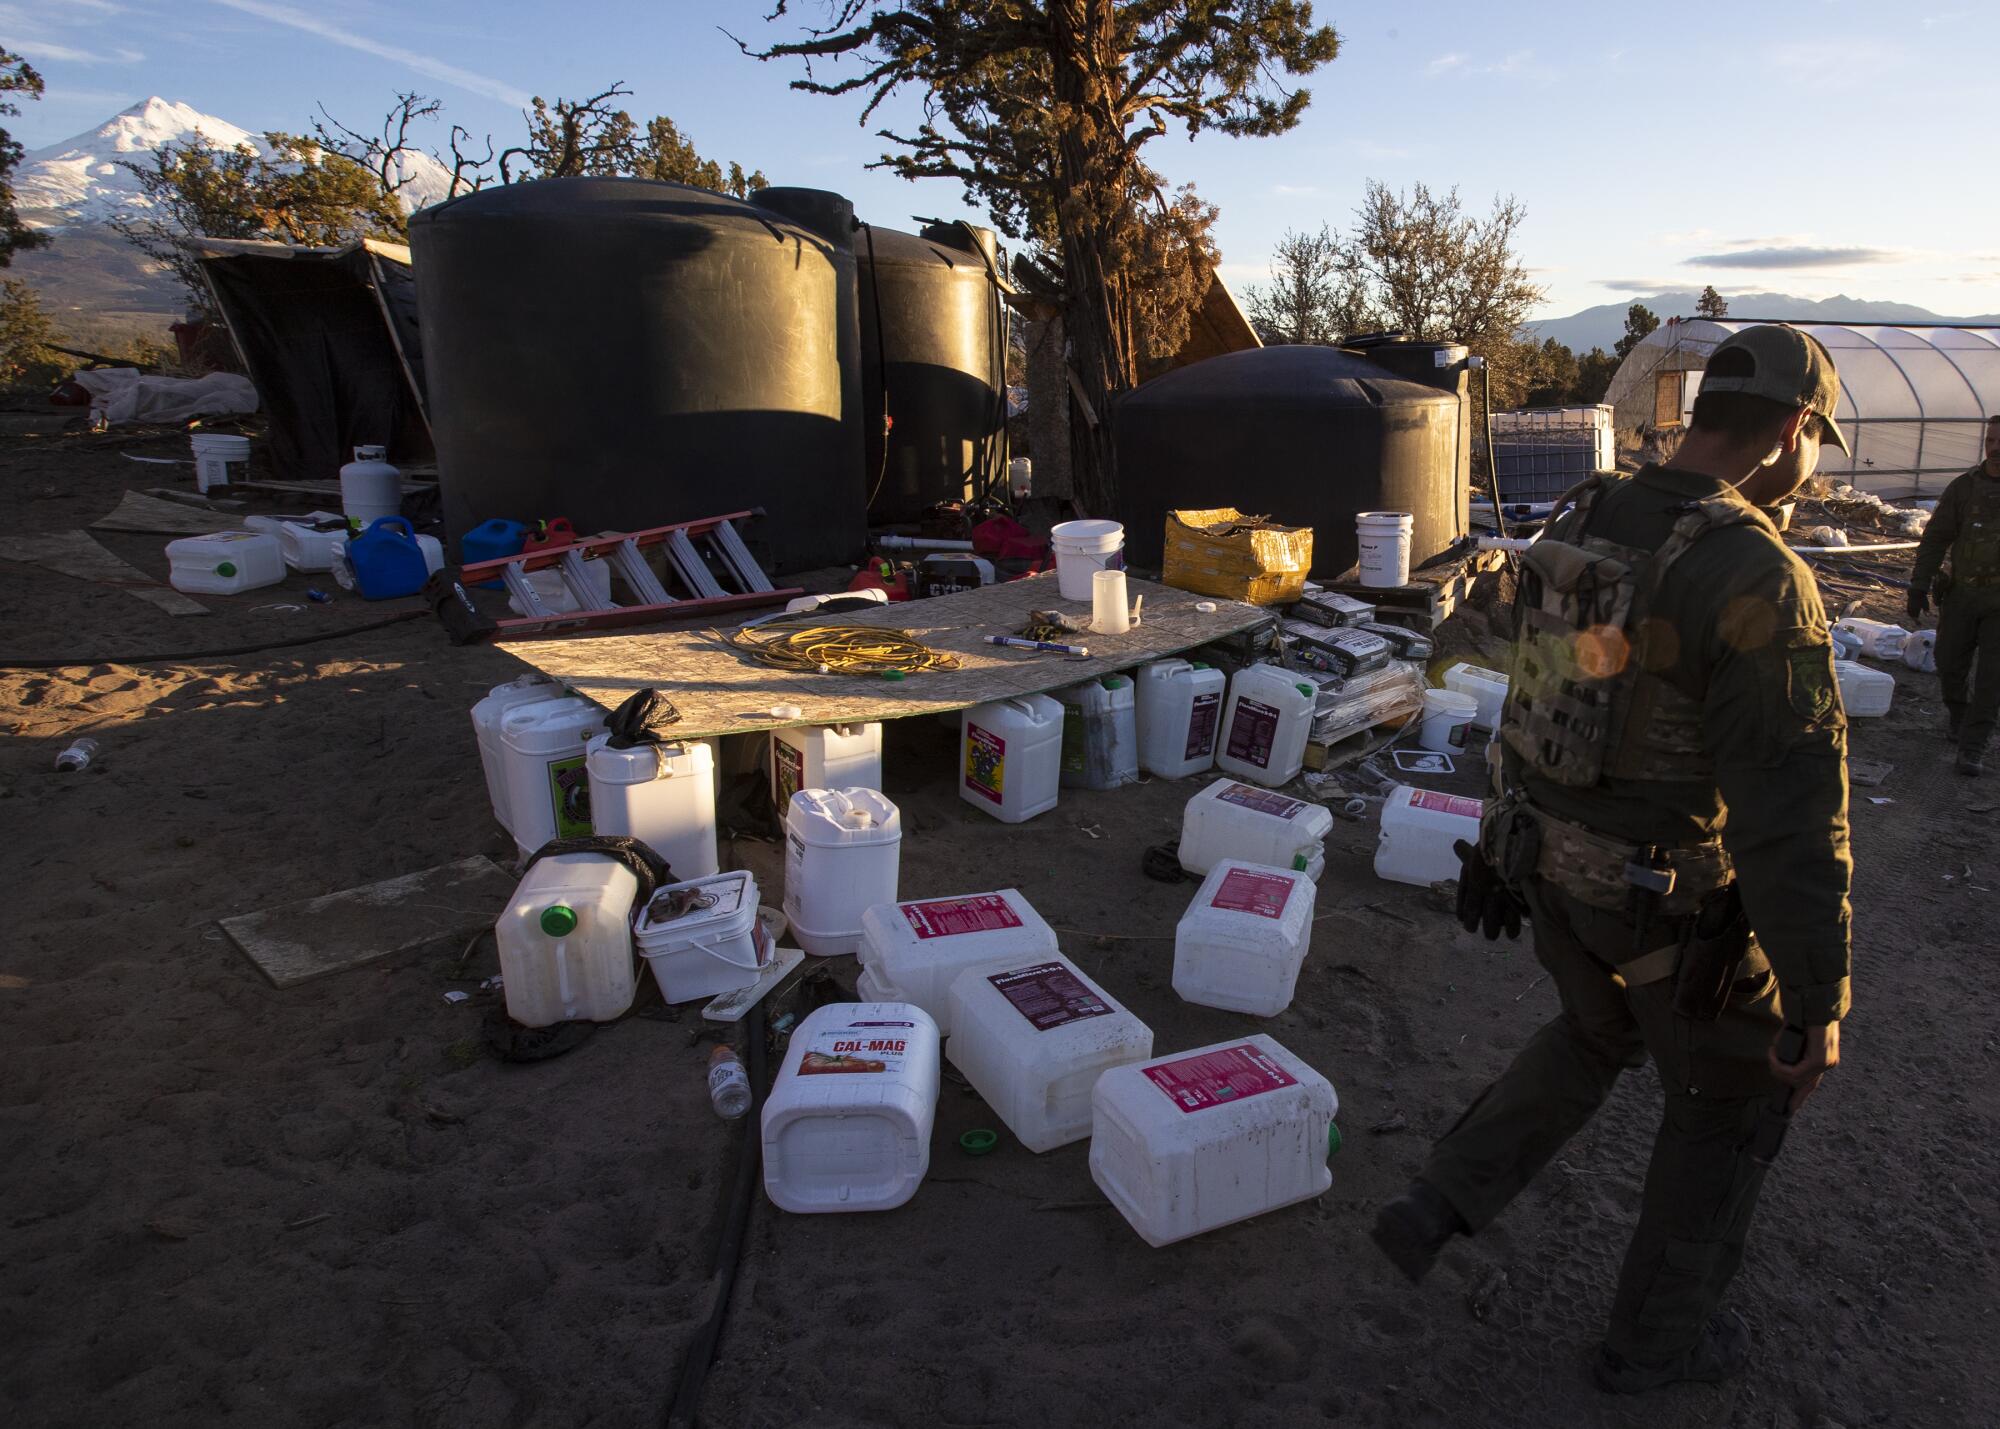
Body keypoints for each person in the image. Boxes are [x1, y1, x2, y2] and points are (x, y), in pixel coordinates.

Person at [1371, 325, 1852, 1394]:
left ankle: (1441, 1196)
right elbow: (1789, 817)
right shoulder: (1754, 574)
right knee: (1721, 1106)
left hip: (1548, 872)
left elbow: (1546, 684)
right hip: (1664, 908)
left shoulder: (1589, 510)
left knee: (1591, 1032)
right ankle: (1655, 1341)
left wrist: (1504, 835)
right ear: (1789, 432)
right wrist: (1813, 1001)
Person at [1906, 414, 2000, 776]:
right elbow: (1935, 538)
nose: (1995, 449)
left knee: (1992, 677)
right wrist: (1918, 584)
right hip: (1961, 594)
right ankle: (1959, 717)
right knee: (1948, 664)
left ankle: (1973, 745)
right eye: (1990, 441)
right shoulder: (1964, 488)